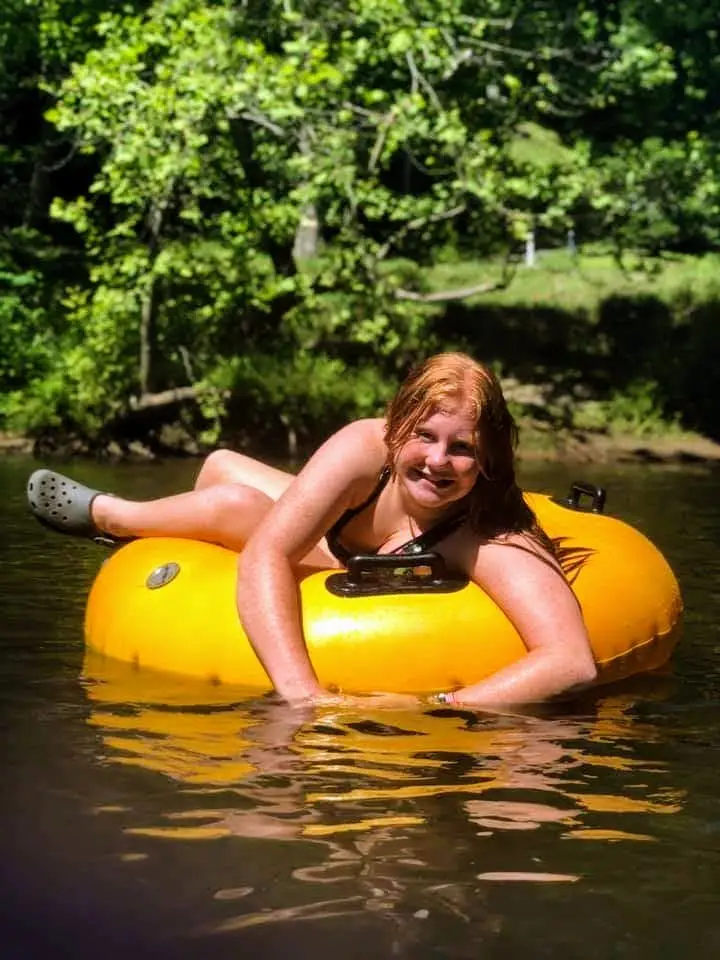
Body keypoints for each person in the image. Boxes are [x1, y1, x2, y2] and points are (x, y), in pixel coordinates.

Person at [27, 352, 597, 708]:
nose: (438, 460)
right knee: (223, 463)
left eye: (463, 448)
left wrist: (443, 703)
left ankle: (109, 512)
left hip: (354, 568)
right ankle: (118, 519)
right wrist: (301, 693)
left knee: (231, 503)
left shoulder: (492, 534)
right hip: (341, 538)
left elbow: (569, 661)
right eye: (424, 436)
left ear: (490, 457)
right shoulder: (364, 447)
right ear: (396, 430)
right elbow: (266, 557)